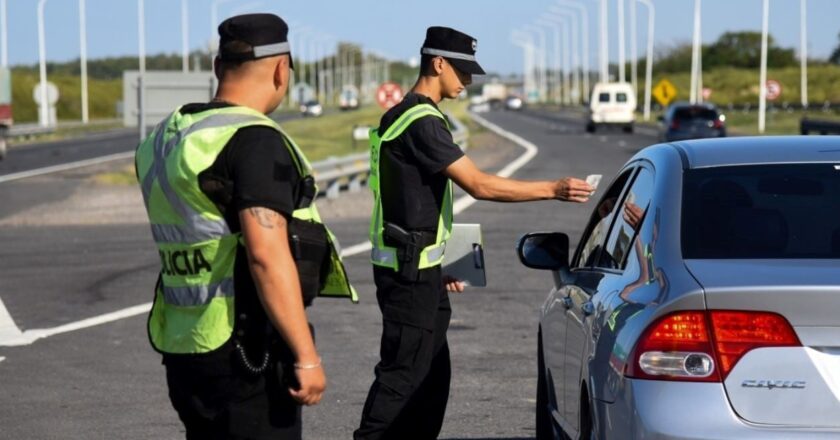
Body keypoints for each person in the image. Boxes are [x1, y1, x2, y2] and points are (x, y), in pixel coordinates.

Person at [355, 26, 594, 440]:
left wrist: (439, 258)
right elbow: (479, 185)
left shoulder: (400, 115)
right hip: (409, 276)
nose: (467, 81)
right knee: (402, 380)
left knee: (430, 379)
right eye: (462, 71)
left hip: (418, 268)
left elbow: (411, 199)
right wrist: (552, 190)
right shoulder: (422, 122)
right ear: (438, 63)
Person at [134, 13, 355, 440]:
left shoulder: (164, 139)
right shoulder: (253, 138)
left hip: (183, 342)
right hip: (246, 347)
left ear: (218, 68)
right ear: (280, 68)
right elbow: (265, 255)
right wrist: (306, 356)